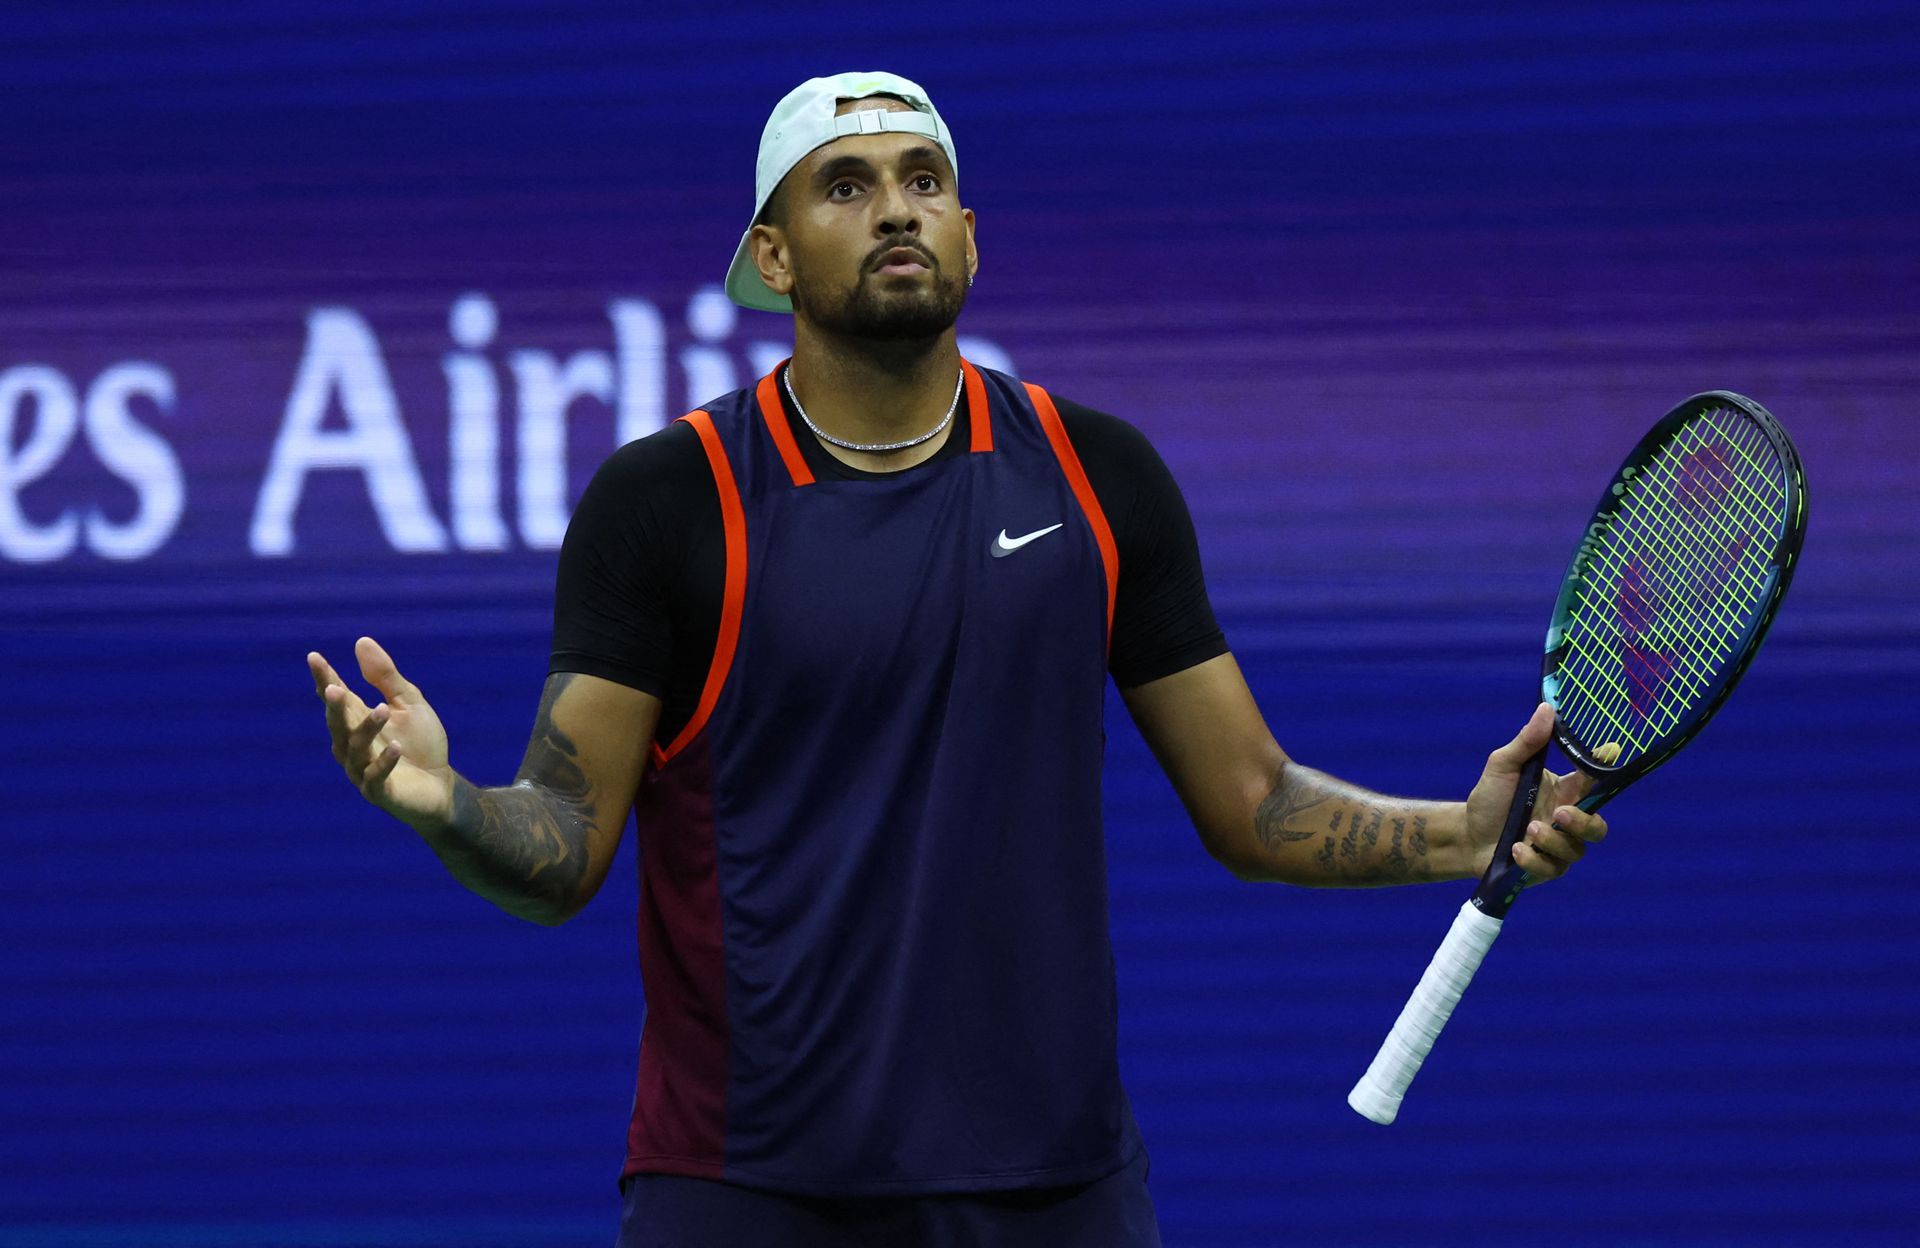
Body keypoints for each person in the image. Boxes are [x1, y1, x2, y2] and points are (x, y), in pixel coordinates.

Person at [306, 71, 1610, 1248]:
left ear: (971, 236)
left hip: (1053, 1192)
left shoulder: (1100, 477)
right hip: (746, 1191)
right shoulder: (670, 502)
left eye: (925, 181)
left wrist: (1462, 832)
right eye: (847, 185)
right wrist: (445, 803)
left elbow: (1253, 800)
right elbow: (566, 842)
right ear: (773, 253)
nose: (896, 211)